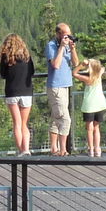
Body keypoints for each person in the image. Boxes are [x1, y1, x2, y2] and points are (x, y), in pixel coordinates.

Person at [45, 23, 80, 156]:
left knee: (56, 117)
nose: (68, 37)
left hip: (65, 85)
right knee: (65, 119)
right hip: (56, 86)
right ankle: (63, 149)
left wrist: (72, 49)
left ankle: (54, 148)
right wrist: (61, 47)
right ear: (58, 34)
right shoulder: (52, 46)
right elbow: (56, 65)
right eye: (65, 35)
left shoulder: (66, 46)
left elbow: (76, 63)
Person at [0, 33, 35, 155]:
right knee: (24, 124)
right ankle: (26, 150)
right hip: (26, 92)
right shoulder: (27, 57)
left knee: (17, 123)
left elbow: (3, 74)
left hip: (12, 92)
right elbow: (32, 71)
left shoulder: (7, 58)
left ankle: (21, 151)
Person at [73, 58, 106, 157]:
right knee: (96, 127)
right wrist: (93, 64)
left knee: (89, 128)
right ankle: (98, 149)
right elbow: (102, 68)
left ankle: (91, 149)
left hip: (89, 105)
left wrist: (81, 65)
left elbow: (74, 73)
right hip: (99, 104)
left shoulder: (88, 79)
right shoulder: (99, 76)